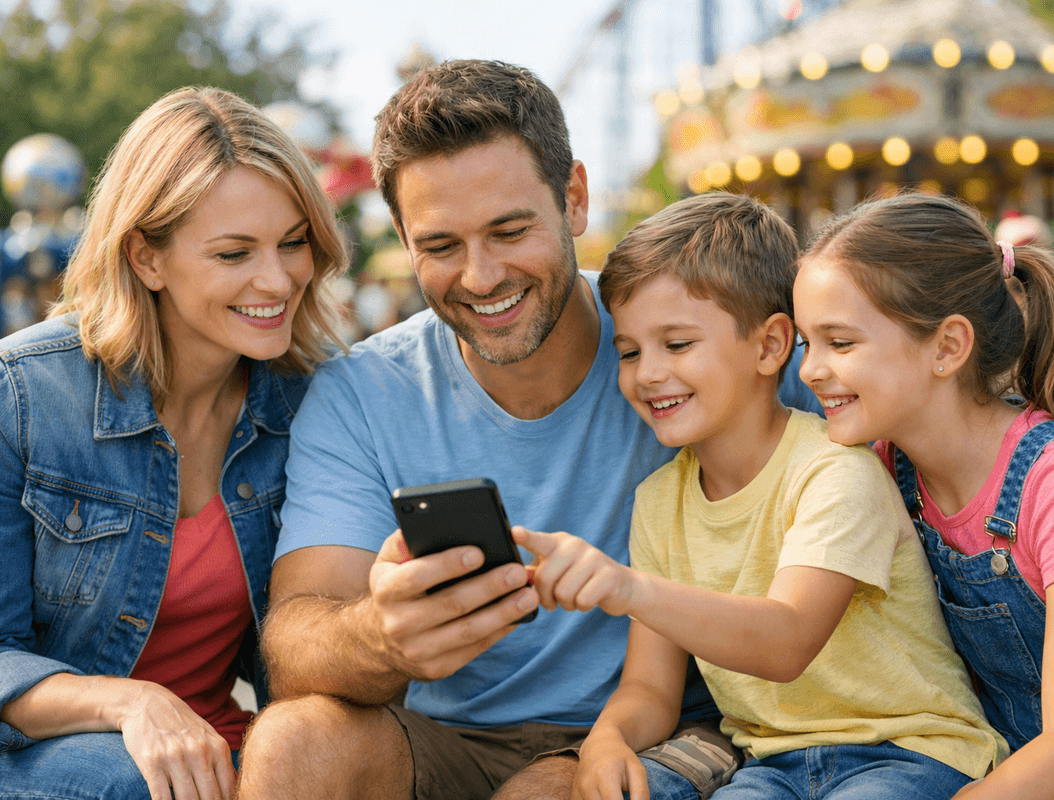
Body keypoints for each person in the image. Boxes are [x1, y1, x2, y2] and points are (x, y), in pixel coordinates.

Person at [234, 60, 823, 800]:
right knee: (292, 742)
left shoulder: (693, 352)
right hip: (447, 738)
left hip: (659, 726)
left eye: (510, 231)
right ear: (402, 235)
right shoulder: (361, 391)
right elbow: (294, 641)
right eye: (442, 247)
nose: (481, 278)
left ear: (574, 199)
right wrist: (381, 635)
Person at [513, 193, 1008, 800]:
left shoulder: (833, 471)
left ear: (771, 346)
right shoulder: (659, 502)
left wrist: (624, 587)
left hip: (908, 751)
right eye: (630, 352)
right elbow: (651, 690)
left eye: (677, 344)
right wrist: (607, 740)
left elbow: (786, 640)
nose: (647, 374)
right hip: (771, 762)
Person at [0, 86, 348, 800]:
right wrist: (132, 703)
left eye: (292, 243)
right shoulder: (24, 396)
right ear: (146, 258)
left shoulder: (308, 402)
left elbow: (308, 658)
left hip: (227, 757)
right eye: (234, 253)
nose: (277, 279)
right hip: (53, 757)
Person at [791, 193, 1054, 800]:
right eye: (805, 343)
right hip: (1028, 752)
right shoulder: (887, 471)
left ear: (949, 346)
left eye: (840, 344)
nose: (809, 370)